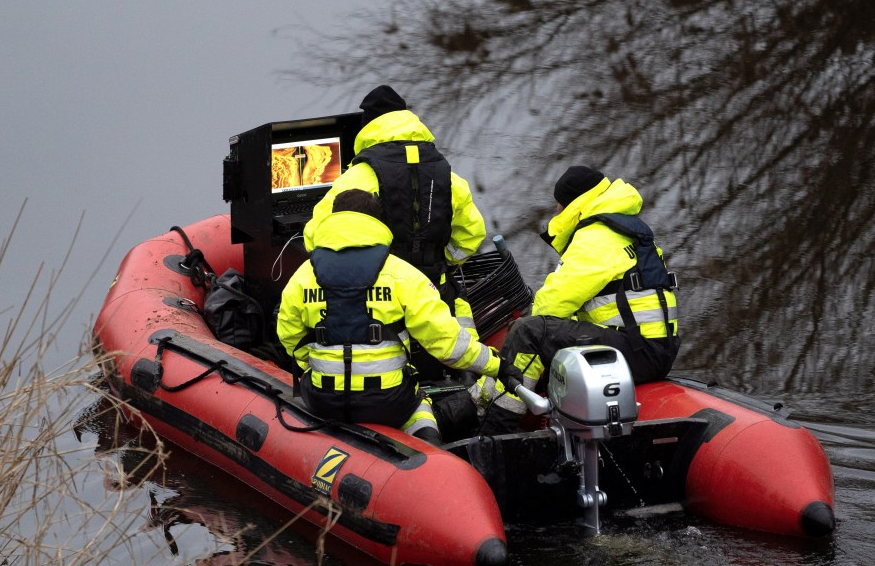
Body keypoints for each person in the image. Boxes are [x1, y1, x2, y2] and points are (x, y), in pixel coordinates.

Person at [280, 189, 522, 444]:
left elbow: (289, 336)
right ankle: (429, 451)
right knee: (419, 403)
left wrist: (316, 366)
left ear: (332, 220)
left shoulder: (303, 276)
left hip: (323, 400)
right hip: (389, 402)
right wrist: (498, 366)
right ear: (377, 223)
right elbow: (447, 344)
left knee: (308, 379)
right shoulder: (401, 274)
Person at [473, 166, 680, 436]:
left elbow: (550, 305)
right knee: (548, 332)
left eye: (558, 206)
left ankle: (493, 431)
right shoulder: (626, 228)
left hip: (637, 353)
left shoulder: (595, 237)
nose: (556, 212)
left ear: (572, 204)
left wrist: (530, 322)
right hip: (656, 349)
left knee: (530, 332)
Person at [302, 85, 486, 359]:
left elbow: (315, 238)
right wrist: (440, 260)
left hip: (381, 302)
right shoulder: (446, 174)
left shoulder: (357, 177)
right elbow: (472, 234)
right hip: (436, 292)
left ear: (368, 127)